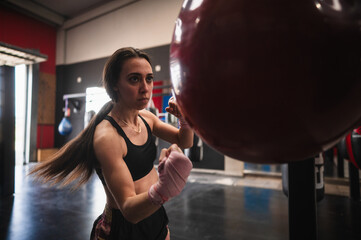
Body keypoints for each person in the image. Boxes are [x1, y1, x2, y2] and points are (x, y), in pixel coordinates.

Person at [30, 47, 194, 240]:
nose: (145, 87)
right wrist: (164, 189)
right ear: (115, 84)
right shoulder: (108, 137)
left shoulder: (147, 118)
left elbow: (185, 141)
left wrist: (185, 119)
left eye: (149, 78)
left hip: (155, 214)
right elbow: (129, 211)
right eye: (134, 79)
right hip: (123, 227)